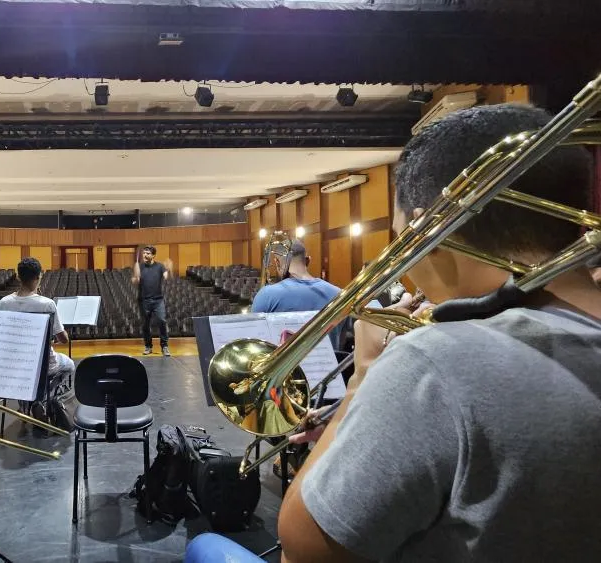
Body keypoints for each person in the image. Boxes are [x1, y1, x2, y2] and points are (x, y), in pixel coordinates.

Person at [190, 104, 601, 562]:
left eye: (398, 232)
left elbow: (303, 550)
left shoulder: (436, 362)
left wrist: (364, 379)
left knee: (205, 547)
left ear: (427, 229)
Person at [0, 257, 75, 420]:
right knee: (69, 365)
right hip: (43, 364)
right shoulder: (46, 304)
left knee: (26, 369)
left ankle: (26, 402)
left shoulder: (4, 303)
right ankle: (43, 398)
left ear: (18, 277)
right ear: (39, 276)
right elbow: (63, 339)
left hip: (15, 363)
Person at [251, 239, 345, 351]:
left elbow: (255, 343)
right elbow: (342, 343)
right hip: (331, 367)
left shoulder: (266, 295)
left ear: (277, 262)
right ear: (308, 261)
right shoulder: (339, 294)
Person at [131, 245, 170, 356]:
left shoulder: (160, 266)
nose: (145, 255)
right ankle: (148, 346)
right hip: (144, 301)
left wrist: (168, 269)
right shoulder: (140, 267)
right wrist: (136, 275)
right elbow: (135, 281)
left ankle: (165, 346)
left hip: (158, 300)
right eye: (144, 253)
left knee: (162, 321)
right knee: (145, 325)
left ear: (153, 255)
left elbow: (166, 276)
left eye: (147, 253)